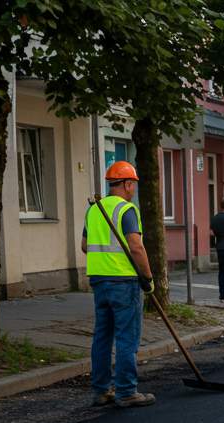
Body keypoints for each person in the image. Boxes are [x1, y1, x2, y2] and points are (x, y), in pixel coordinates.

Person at [80, 160, 155, 408]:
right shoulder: (126, 210)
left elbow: (84, 246)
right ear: (125, 184)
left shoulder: (95, 210)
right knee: (127, 337)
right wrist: (148, 278)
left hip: (99, 282)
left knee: (102, 337)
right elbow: (136, 246)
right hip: (124, 281)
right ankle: (126, 391)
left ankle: (101, 391)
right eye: (132, 184)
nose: (133, 189)